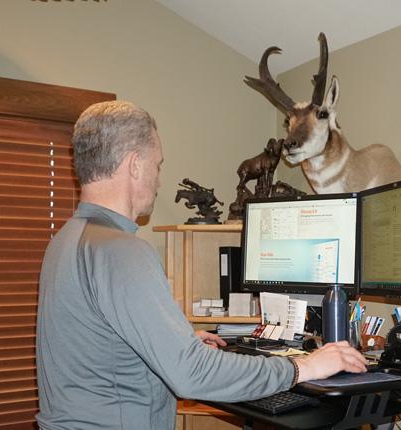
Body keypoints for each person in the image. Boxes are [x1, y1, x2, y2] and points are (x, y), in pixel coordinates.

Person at [35, 100, 367, 430]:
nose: (159, 180)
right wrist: (303, 366)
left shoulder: (67, 240)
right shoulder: (122, 251)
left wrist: (177, 341)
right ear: (135, 165)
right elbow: (191, 375)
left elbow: (98, 347)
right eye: (158, 164)